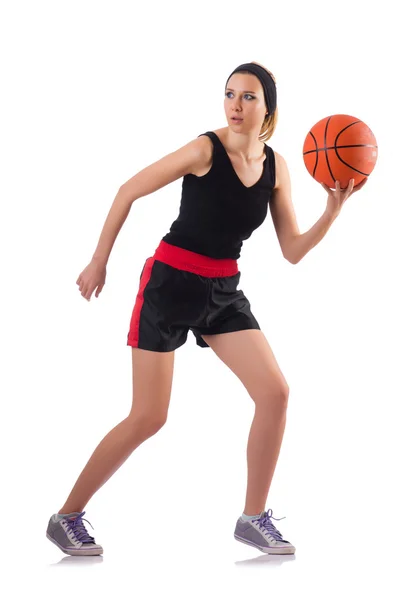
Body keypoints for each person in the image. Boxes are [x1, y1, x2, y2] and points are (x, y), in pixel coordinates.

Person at [46, 61, 366, 557]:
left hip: (223, 291)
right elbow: (128, 189)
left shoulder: (278, 168)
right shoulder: (204, 149)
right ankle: (66, 517)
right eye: (229, 94)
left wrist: (332, 211)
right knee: (149, 417)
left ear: (268, 108)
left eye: (249, 97)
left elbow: (293, 250)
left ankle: (253, 518)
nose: (236, 106)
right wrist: (98, 261)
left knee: (275, 392)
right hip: (170, 284)